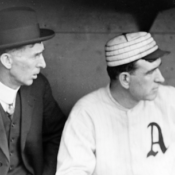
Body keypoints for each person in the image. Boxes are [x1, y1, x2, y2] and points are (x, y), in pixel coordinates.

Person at [56, 31, 175, 175]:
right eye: (150, 72)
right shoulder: (86, 112)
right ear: (125, 79)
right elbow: (72, 171)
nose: (161, 78)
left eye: (159, 68)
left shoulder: (170, 99)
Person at [0, 6, 66, 175]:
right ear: (7, 60)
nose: (43, 64)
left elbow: (57, 133)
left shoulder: (38, 87)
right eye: (36, 55)